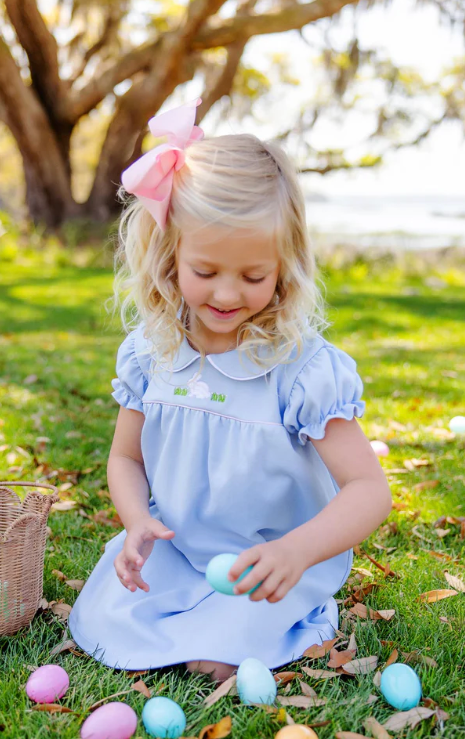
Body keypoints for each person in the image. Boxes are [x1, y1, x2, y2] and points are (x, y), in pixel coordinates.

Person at [68, 96, 392, 681]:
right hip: (180, 549)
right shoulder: (153, 354)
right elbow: (125, 457)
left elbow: (368, 488)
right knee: (110, 624)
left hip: (266, 561)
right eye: (205, 271)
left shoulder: (301, 370)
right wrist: (137, 520)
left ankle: (307, 613)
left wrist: (297, 552)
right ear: (171, 255)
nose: (225, 294)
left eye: (253, 276)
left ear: (284, 266)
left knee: (212, 664)